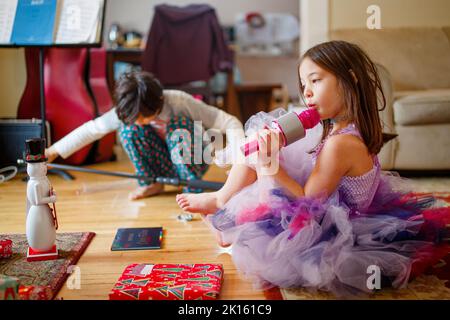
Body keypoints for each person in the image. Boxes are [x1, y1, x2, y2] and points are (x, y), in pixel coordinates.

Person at [176, 40, 450, 297]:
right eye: (303, 83)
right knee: (265, 138)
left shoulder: (340, 144)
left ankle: (225, 217)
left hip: (327, 227)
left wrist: (267, 163)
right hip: (328, 202)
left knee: (267, 201)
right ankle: (221, 199)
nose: (306, 91)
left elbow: (306, 202)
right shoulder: (341, 131)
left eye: (316, 81)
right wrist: (273, 145)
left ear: (350, 79)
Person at [45, 71, 244, 200]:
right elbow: (92, 130)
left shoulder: (178, 102)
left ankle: (192, 188)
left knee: (178, 129)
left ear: (155, 104)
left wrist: (240, 157)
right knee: (127, 130)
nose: (138, 121)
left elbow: (228, 121)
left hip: (194, 160)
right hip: (163, 161)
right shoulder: (129, 111)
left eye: (142, 117)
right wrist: (53, 151)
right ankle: (153, 183)